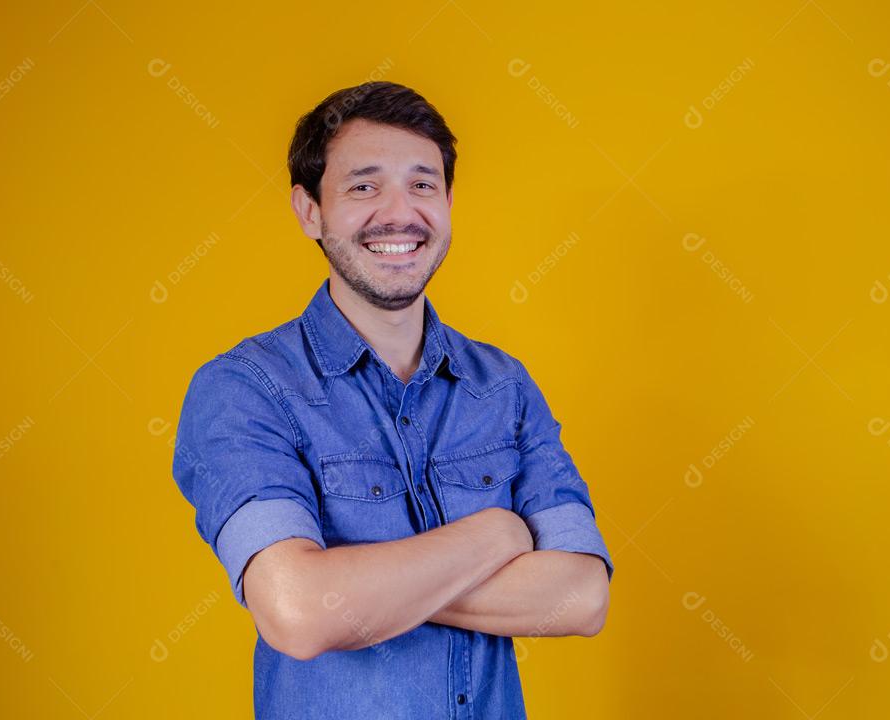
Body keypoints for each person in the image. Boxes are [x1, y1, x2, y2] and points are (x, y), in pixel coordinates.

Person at [172, 81, 614, 720]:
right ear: (309, 211)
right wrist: (498, 532)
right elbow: (295, 612)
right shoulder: (243, 390)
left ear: (449, 202)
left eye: (423, 184)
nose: (399, 213)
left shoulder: (504, 387)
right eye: (363, 186)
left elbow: (581, 597)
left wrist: (353, 587)